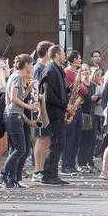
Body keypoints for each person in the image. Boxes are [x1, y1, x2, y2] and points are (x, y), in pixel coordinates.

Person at [0, 55, 38, 189]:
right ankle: (3, 175)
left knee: (14, 149)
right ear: (26, 64)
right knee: (20, 149)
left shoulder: (16, 77)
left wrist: (28, 89)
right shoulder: (16, 77)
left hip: (14, 115)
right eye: (31, 64)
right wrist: (29, 107)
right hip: (13, 115)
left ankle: (11, 178)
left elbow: (19, 96)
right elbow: (14, 98)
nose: (32, 67)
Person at [37, 44, 70, 185]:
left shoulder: (56, 70)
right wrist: (65, 105)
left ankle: (52, 174)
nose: (64, 56)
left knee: (59, 143)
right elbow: (49, 95)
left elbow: (56, 91)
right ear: (56, 55)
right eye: (63, 54)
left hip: (58, 111)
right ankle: (48, 175)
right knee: (57, 143)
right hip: (54, 112)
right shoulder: (50, 70)